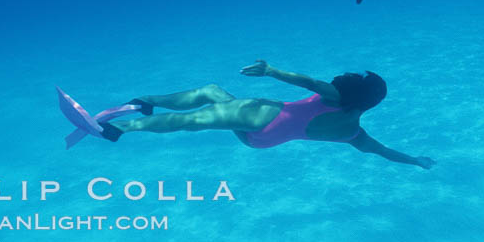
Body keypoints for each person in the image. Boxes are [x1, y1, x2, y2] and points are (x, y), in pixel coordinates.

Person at [100, 61, 436, 169]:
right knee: (211, 93)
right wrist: (416, 161)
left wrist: (271, 70)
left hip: (262, 117)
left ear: (348, 92)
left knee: (194, 119)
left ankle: (120, 128)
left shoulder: (333, 97)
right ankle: (144, 102)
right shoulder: (352, 131)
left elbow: (307, 81)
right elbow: (383, 151)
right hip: (260, 142)